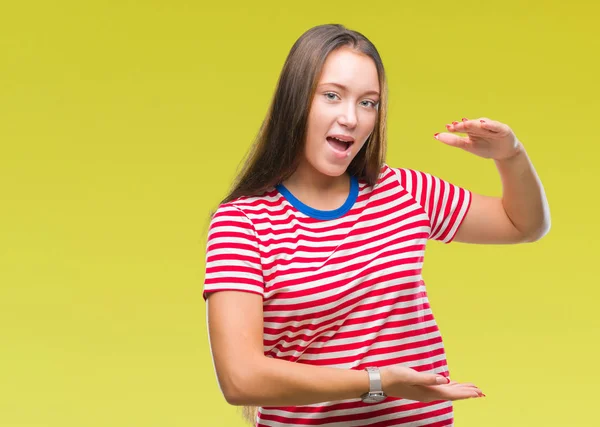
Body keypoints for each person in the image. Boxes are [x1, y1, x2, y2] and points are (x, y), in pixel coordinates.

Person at [202, 23, 550, 427]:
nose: (350, 118)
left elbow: (523, 224)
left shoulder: (404, 191)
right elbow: (239, 379)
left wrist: (511, 156)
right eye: (332, 96)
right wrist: (377, 382)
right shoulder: (243, 223)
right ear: (295, 101)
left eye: (368, 103)